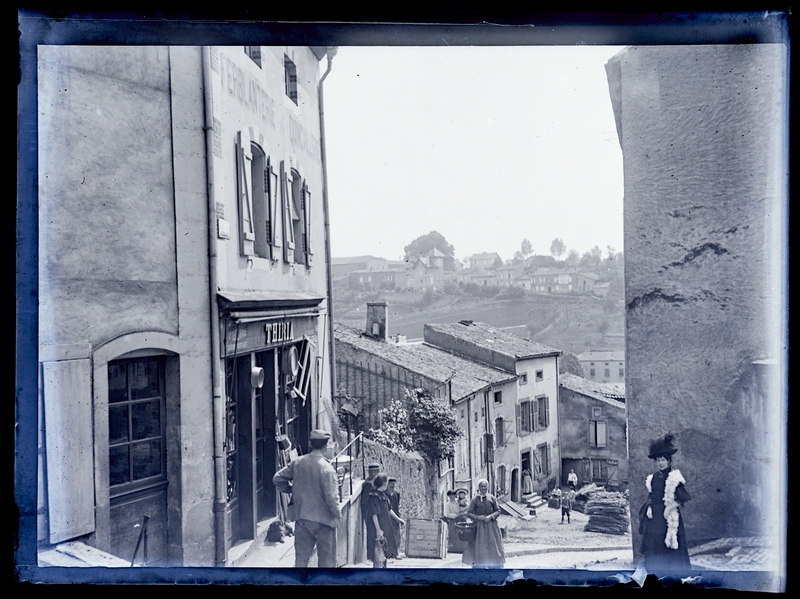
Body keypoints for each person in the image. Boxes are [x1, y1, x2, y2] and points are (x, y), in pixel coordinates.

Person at [272, 429, 342, 568]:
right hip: (324, 523)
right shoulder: (327, 469)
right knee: (327, 565)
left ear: (311, 444)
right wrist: (338, 516)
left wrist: (292, 490)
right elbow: (332, 498)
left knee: (301, 563)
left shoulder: (298, 463)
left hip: (302, 520)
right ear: (325, 445)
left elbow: (277, 479)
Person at [638, 433, 692, 574]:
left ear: (668, 461)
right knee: (655, 547)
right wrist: (649, 506)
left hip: (668, 516)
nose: (660, 463)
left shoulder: (674, 477)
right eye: (658, 460)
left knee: (670, 548)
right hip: (655, 519)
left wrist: (669, 509)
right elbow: (651, 495)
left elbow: (683, 498)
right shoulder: (654, 477)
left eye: (663, 460)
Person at [462, 479, 505, 568]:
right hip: (479, 527)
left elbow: (498, 511)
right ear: (479, 488)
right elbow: (469, 513)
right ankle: (479, 565)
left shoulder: (492, 498)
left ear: (487, 487)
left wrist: (490, 517)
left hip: (491, 526)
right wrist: (478, 518)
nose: (483, 488)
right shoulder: (475, 499)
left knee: (493, 544)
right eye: (481, 486)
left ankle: (494, 564)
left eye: (485, 486)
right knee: (479, 545)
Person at [368, 473, 404, 567]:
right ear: (384, 484)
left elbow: (389, 509)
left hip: (385, 527)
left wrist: (398, 519)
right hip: (379, 528)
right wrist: (378, 530)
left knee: (384, 553)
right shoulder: (374, 496)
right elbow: (374, 514)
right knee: (378, 553)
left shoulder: (383, 495)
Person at [360, 463, 381, 564]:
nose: (377, 473)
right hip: (369, 512)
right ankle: (371, 557)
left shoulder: (371, 482)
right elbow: (364, 501)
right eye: (375, 471)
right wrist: (365, 513)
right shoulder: (369, 484)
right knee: (371, 534)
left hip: (370, 512)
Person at [385, 477, 404, 558]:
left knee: (397, 536)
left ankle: (397, 553)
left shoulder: (397, 494)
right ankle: (389, 553)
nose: (392, 489)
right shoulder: (384, 495)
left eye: (393, 486)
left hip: (395, 517)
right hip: (388, 518)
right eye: (391, 487)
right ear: (386, 486)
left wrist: (398, 517)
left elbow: (397, 506)